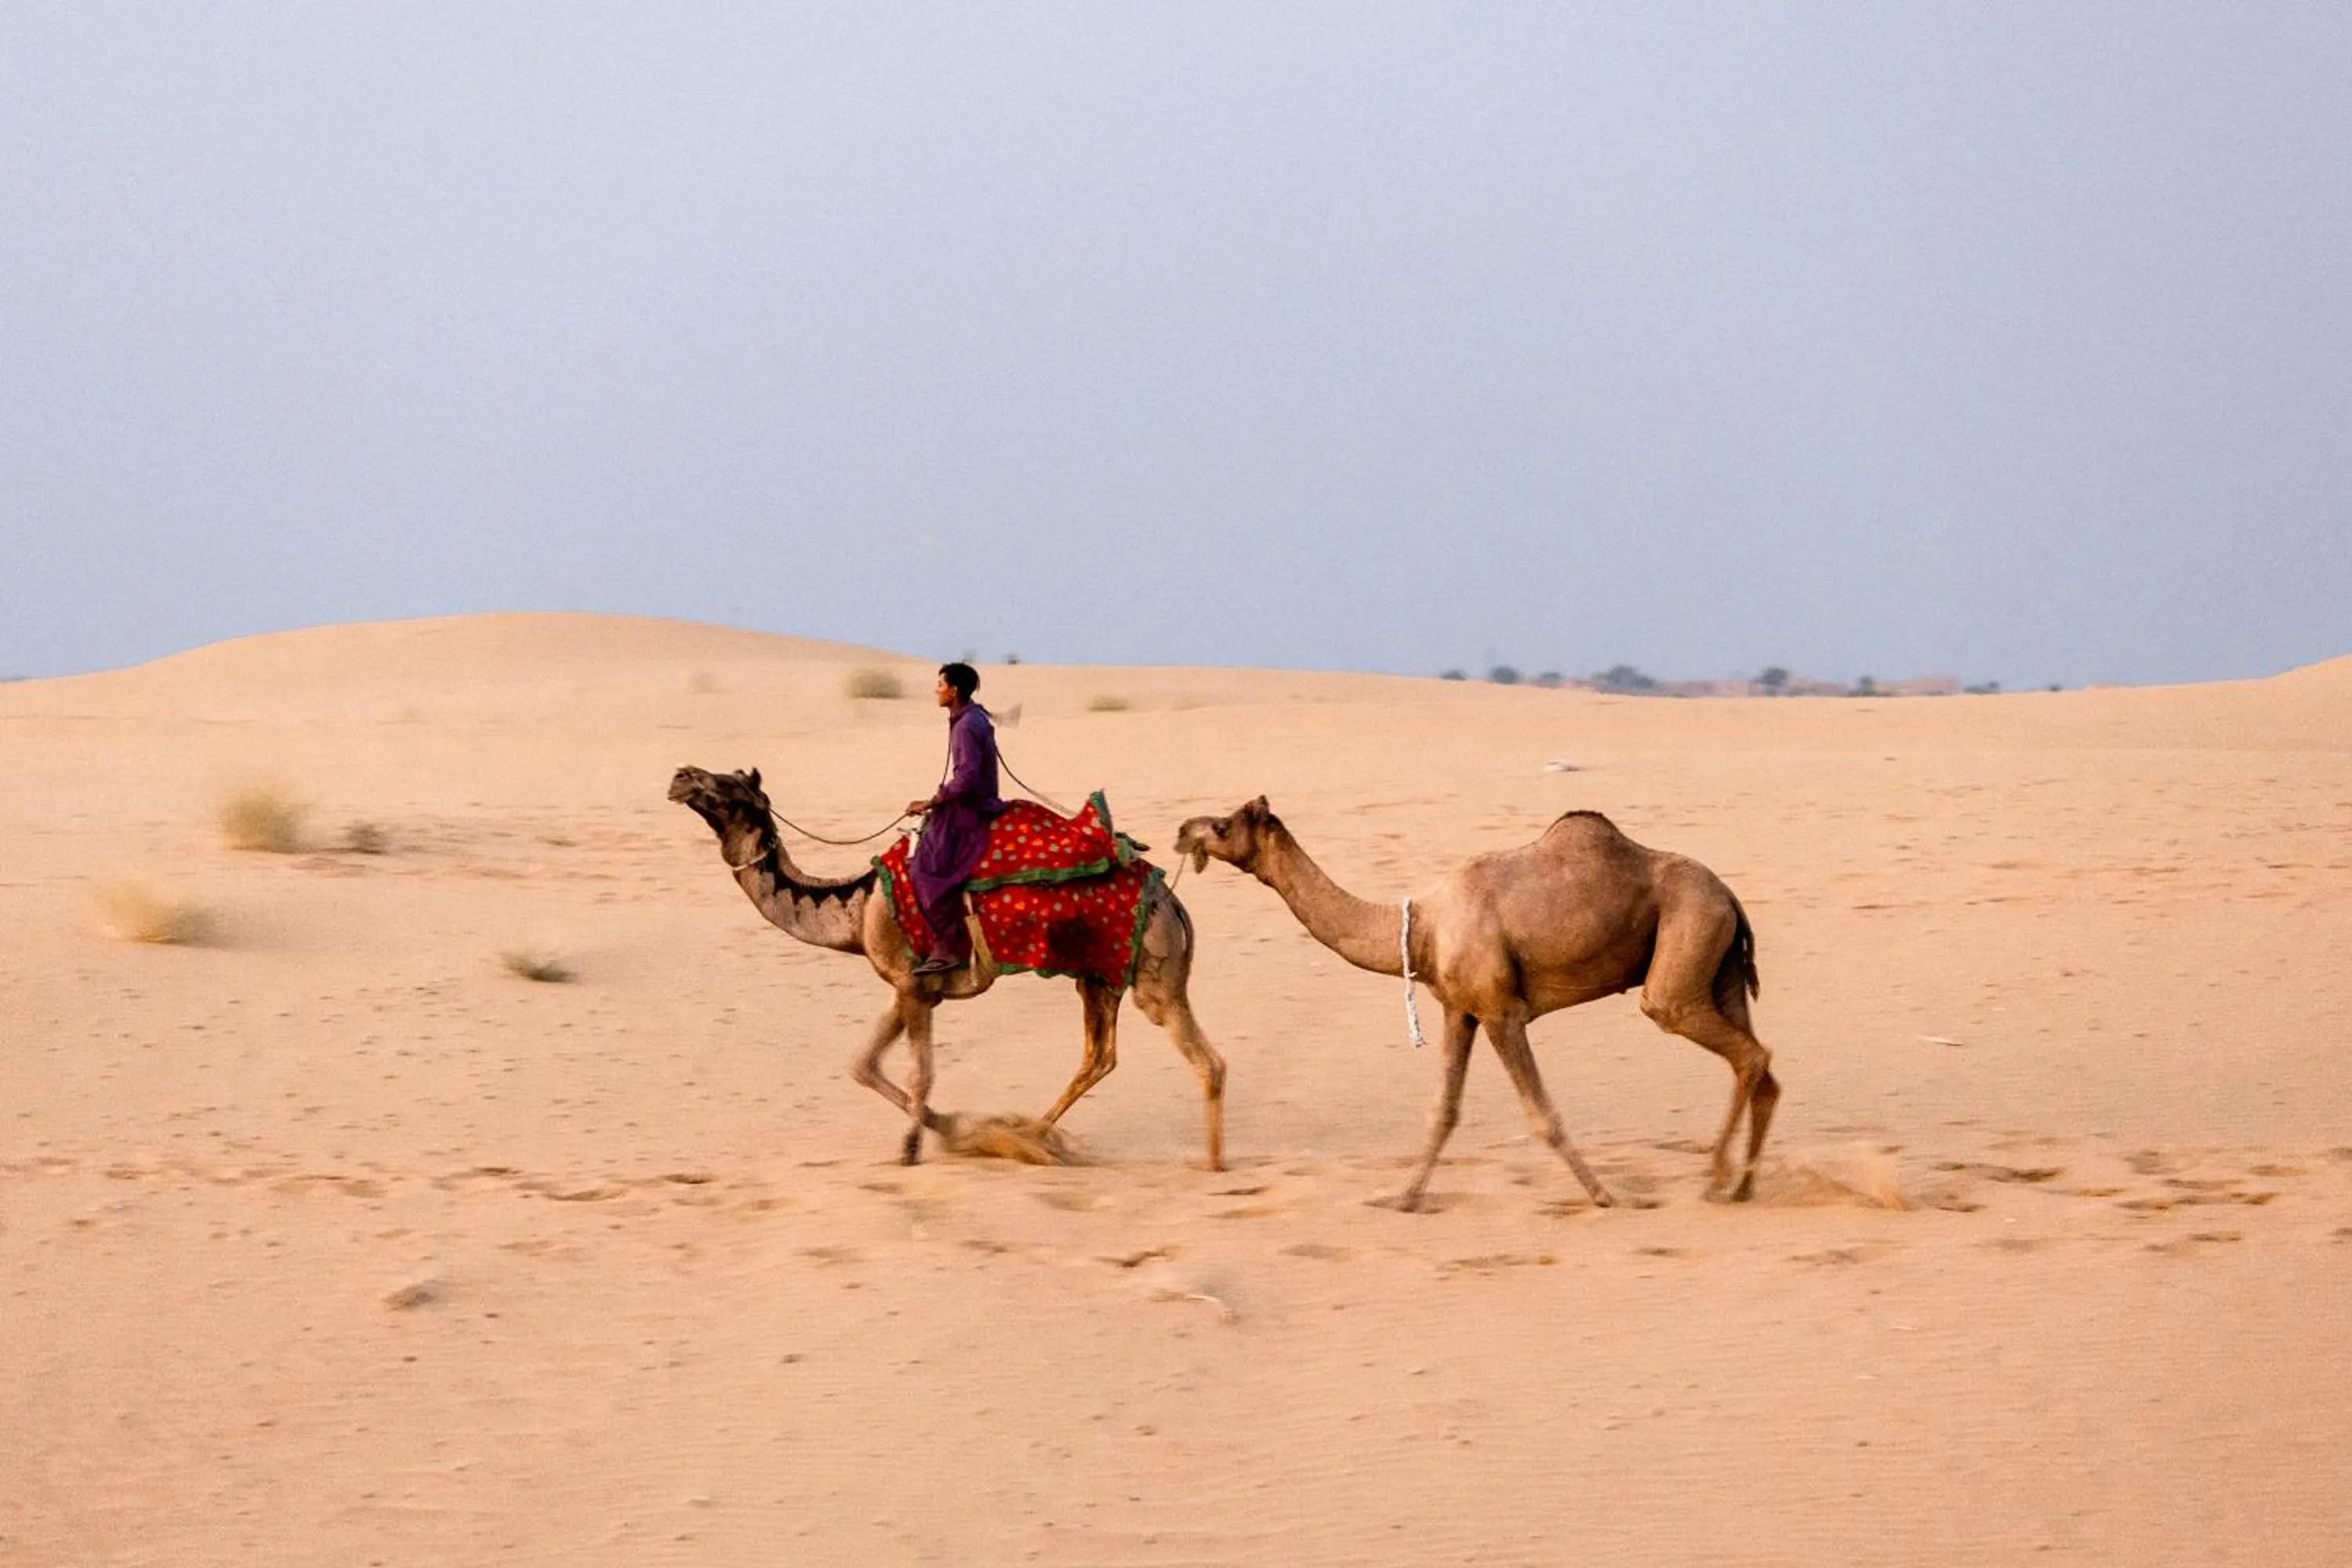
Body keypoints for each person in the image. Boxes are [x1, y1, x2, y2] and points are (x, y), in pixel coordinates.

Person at [904, 662, 1006, 975]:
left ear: (954, 690)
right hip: (975, 802)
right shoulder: (972, 717)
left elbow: (968, 777)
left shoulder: (965, 726)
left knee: (924, 871)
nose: (937, 690)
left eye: (940, 684)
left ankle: (948, 947)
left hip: (970, 810)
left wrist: (932, 801)